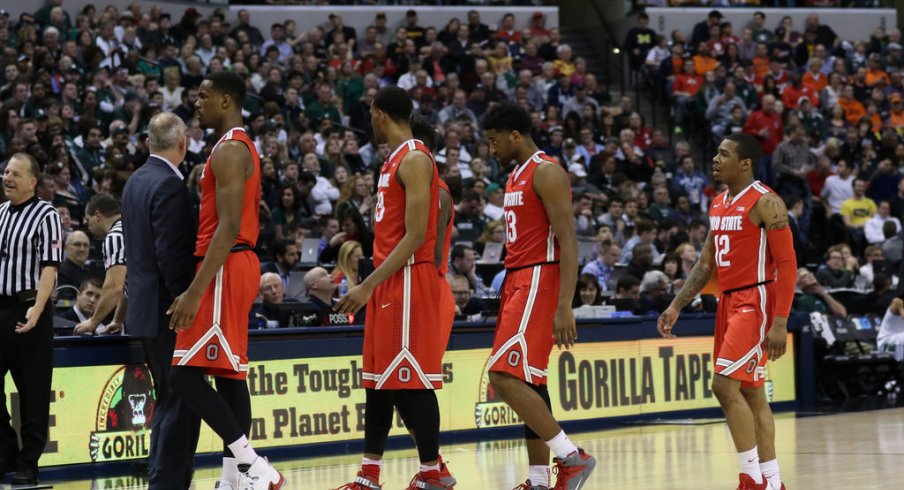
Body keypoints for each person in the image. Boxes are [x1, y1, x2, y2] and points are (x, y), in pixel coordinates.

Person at [658, 133, 796, 490]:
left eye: (724, 154)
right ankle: (774, 482)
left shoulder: (768, 203)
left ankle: (751, 479)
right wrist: (676, 305)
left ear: (745, 163)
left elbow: (787, 264)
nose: (716, 159)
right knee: (751, 393)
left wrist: (780, 321)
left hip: (756, 301)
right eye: (716, 152)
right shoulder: (718, 203)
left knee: (723, 385)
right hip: (728, 302)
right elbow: (706, 265)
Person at [166, 73, 283, 489]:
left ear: (227, 100)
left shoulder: (231, 148)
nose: (196, 103)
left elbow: (229, 225)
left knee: (182, 373)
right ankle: (234, 478)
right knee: (229, 375)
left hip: (224, 265)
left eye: (204, 96)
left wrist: (195, 290)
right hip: (234, 263)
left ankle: (254, 467)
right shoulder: (230, 146)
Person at [335, 86, 455, 489]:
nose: (370, 119)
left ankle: (431, 473)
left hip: (407, 279)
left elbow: (416, 234)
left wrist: (367, 284)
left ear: (381, 113)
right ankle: (369, 475)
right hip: (390, 280)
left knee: (410, 380)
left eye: (371, 113)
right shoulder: (392, 161)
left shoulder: (416, 159)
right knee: (379, 380)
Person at [482, 102, 596, 490]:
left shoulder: (546, 172)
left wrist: (565, 305)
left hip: (538, 278)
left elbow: (569, 241)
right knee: (531, 383)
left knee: (502, 373)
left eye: (495, 141)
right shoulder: (515, 175)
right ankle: (538, 480)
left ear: (515, 135)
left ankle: (571, 457)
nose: (491, 150)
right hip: (516, 278)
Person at [121, 112, 202, 489]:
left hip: (143, 306)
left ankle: (164, 475)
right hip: (168, 309)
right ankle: (167, 480)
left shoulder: (135, 181)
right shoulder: (170, 186)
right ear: (182, 144)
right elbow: (171, 254)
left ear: (148, 142)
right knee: (179, 396)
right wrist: (186, 299)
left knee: (168, 395)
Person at [0, 153, 63, 486]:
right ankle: (7, 447)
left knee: (33, 392)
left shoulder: (46, 214)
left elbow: (49, 267)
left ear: (32, 182)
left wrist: (37, 311)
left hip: (30, 308)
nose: (7, 177)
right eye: (5, 172)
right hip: (0, 308)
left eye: (15, 173)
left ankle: (29, 463)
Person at [75, 193, 126, 335]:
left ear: (97, 215)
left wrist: (93, 322)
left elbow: (114, 286)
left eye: (87, 219)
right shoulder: (129, 228)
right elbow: (126, 285)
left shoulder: (115, 236)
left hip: (151, 309)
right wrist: (118, 319)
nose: (87, 223)